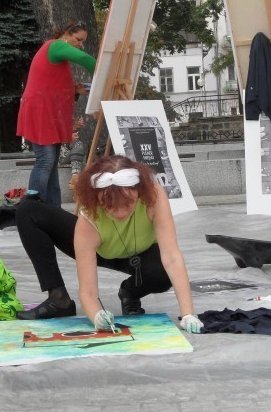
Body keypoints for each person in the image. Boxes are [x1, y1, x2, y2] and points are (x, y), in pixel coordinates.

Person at [14, 155, 203, 334]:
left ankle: (130, 291)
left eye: (128, 204)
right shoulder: (87, 221)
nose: (120, 213)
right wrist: (96, 315)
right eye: (110, 206)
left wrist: (188, 314)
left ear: (140, 191)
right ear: (96, 199)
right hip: (101, 250)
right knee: (28, 209)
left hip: (140, 256)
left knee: (162, 273)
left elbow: (172, 257)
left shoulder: (153, 196)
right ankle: (58, 298)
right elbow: (88, 291)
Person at [17, 21, 96, 207]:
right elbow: (87, 60)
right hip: (41, 111)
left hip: (46, 112)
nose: (80, 44)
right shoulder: (56, 45)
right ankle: (33, 208)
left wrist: (81, 89)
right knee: (46, 161)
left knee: (51, 165)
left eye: (83, 41)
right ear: (67, 34)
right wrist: (102, 79)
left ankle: (53, 210)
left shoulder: (56, 52)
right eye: (78, 39)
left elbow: (58, 86)